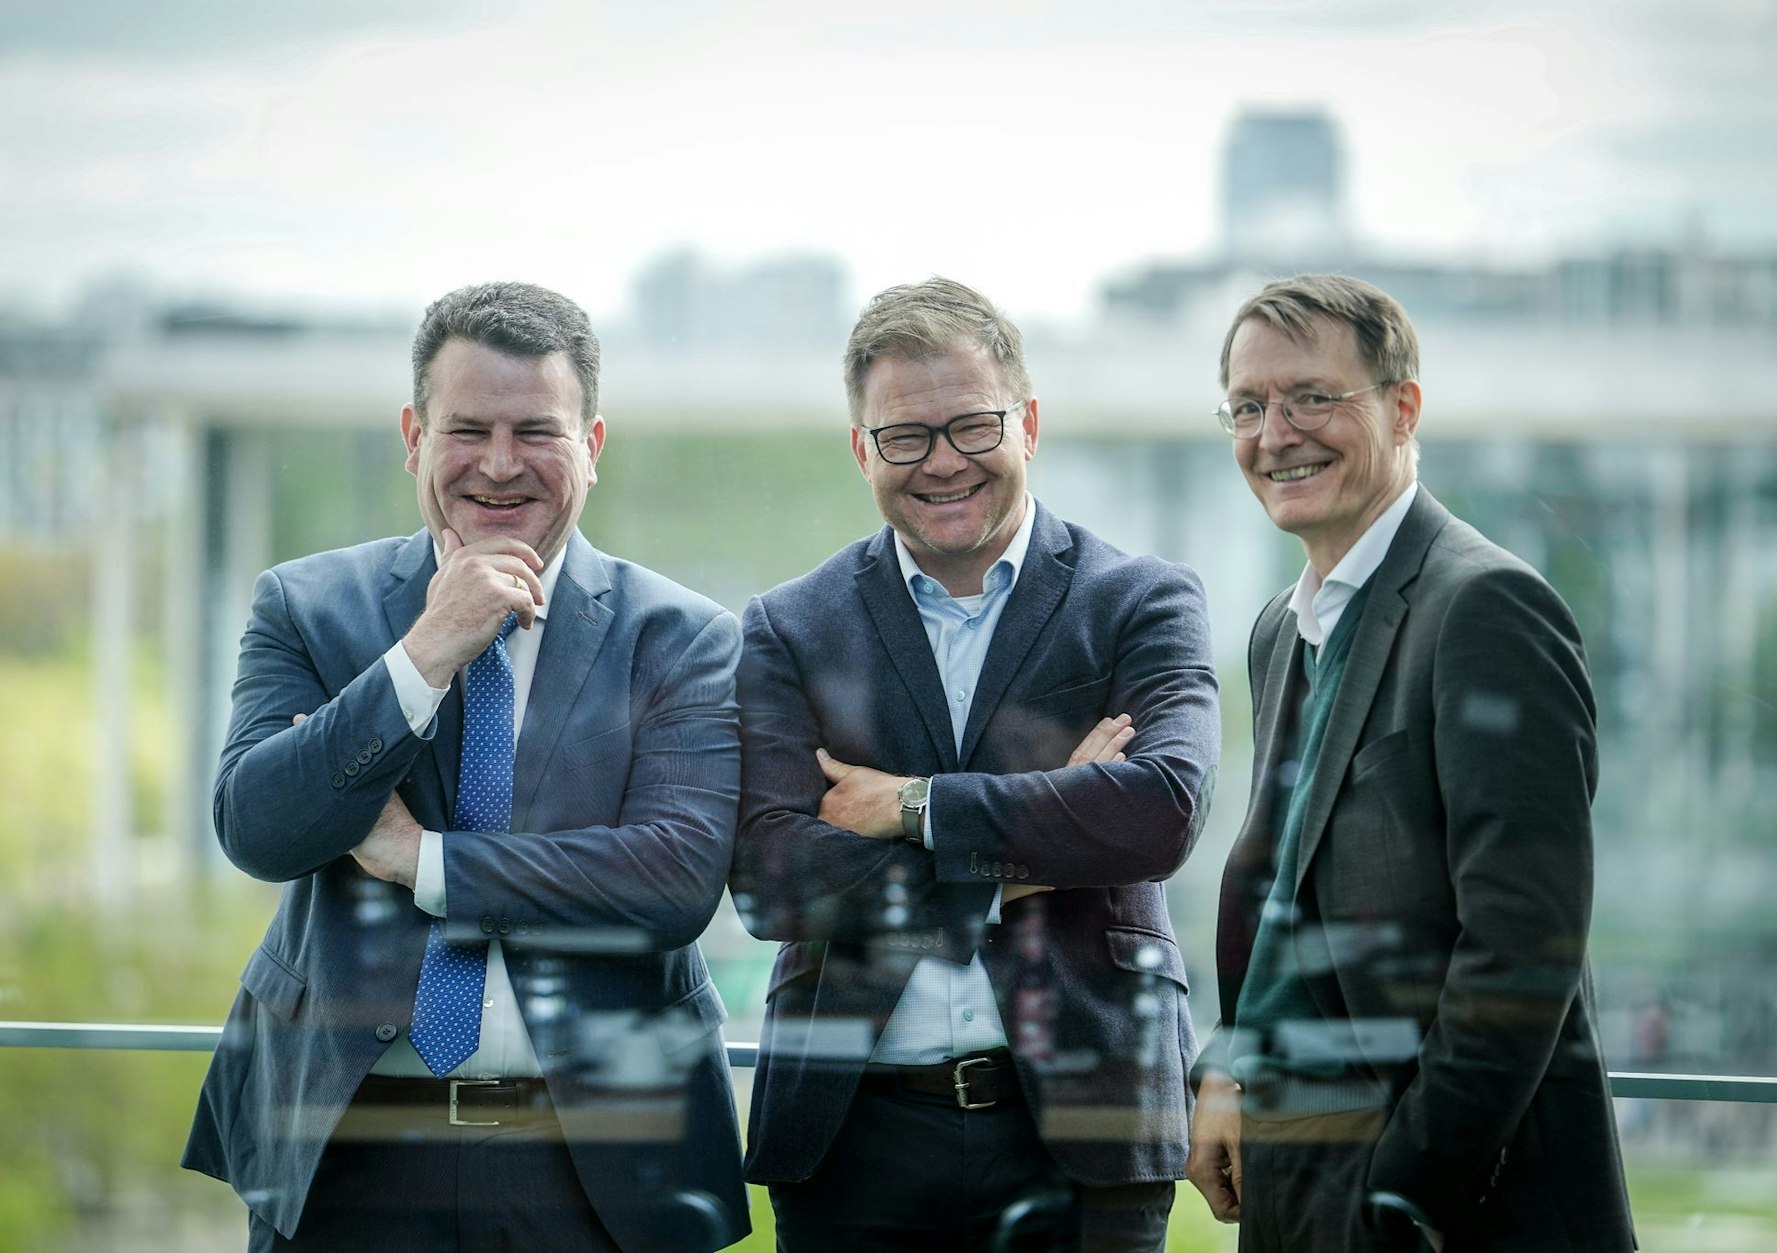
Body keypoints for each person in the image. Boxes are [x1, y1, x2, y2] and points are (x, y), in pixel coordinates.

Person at [182, 281, 749, 1251]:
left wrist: (422, 860)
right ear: (413, 435)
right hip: (342, 1151)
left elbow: (671, 883)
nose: (497, 464)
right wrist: (426, 651)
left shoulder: (687, 640)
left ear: (592, 447)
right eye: (465, 429)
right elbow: (258, 826)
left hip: (599, 1164)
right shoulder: (307, 607)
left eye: (535, 429)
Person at [731, 276, 1221, 1251]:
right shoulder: (788, 627)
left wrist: (908, 806)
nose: (941, 462)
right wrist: (1054, 821)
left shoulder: (1139, 603)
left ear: (1026, 420)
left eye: (970, 426)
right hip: (851, 1132)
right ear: (861, 448)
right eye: (905, 435)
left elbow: (1157, 813)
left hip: (1086, 1128)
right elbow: (768, 876)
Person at [1184, 274, 1634, 1252]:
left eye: (1312, 396)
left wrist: (1399, 1196)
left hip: (1455, 1209)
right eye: (1248, 406)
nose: (1274, 432)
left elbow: (1519, 952)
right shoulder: (1277, 628)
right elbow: (1283, 891)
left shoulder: (1486, 610)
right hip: (1296, 1188)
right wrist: (1228, 1062)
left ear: (1401, 407)